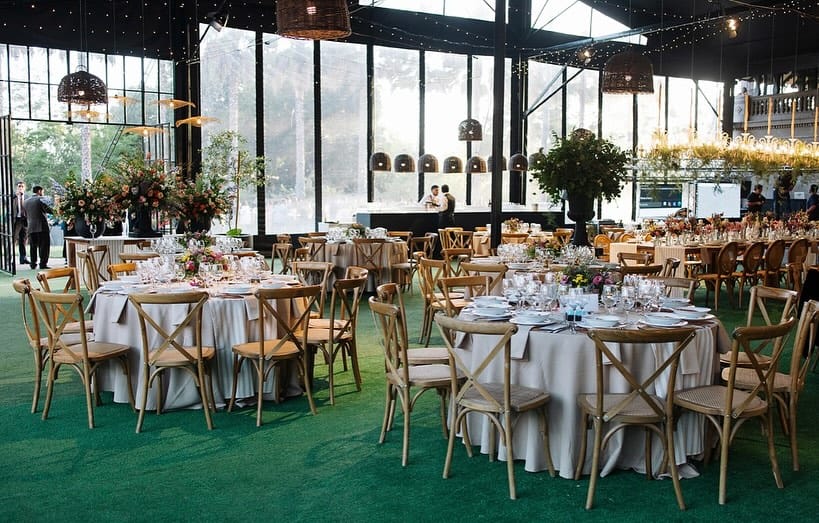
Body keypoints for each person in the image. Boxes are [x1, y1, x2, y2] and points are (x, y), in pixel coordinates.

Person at [23, 185, 53, 270]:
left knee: (33, 246)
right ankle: (43, 263)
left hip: (31, 226)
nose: (43, 193)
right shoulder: (41, 199)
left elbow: (25, 214)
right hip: (41, 226)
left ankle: (33, 263)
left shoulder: (25, 201)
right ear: (39, 191)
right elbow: (48, 210)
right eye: (42, 191)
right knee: (44, 246)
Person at [12, 180, 29, 265]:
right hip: (17, 220)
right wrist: (16, 195)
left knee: (23, 240)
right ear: (17, 187)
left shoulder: (27, 197)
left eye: (22, 186)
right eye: (19, 186)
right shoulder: (13, 197)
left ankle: (23, 258)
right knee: (13, 239)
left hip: (25, 220)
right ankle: (10, 259)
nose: (21, 188)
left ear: (24, 188)